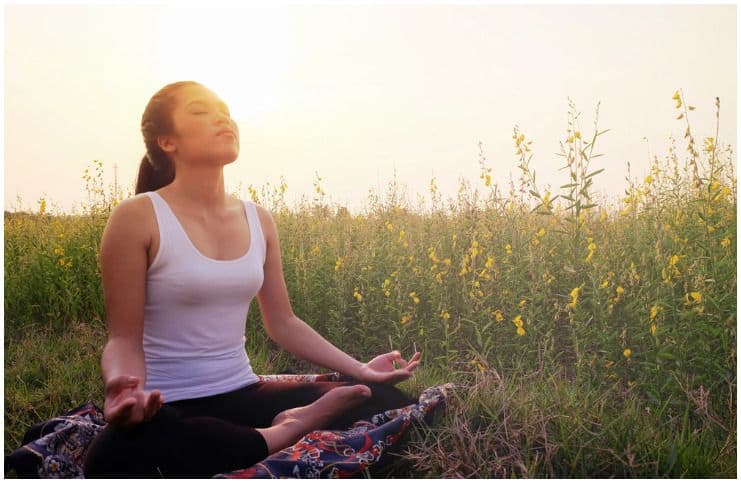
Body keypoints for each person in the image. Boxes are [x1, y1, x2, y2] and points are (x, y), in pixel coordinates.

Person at [82, 81, 421, 478]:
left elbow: (283, 323)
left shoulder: (257, 218)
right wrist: (126, 387)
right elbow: (123, 338)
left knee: (383, 397)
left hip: (244, 392)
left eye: (224, 110)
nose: (221, 118)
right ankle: (291, 427)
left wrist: (361, 369)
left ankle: (265, 431)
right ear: (167, 141)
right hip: (170, 404)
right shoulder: (137, 216)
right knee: (114, 458)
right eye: (199, 111)